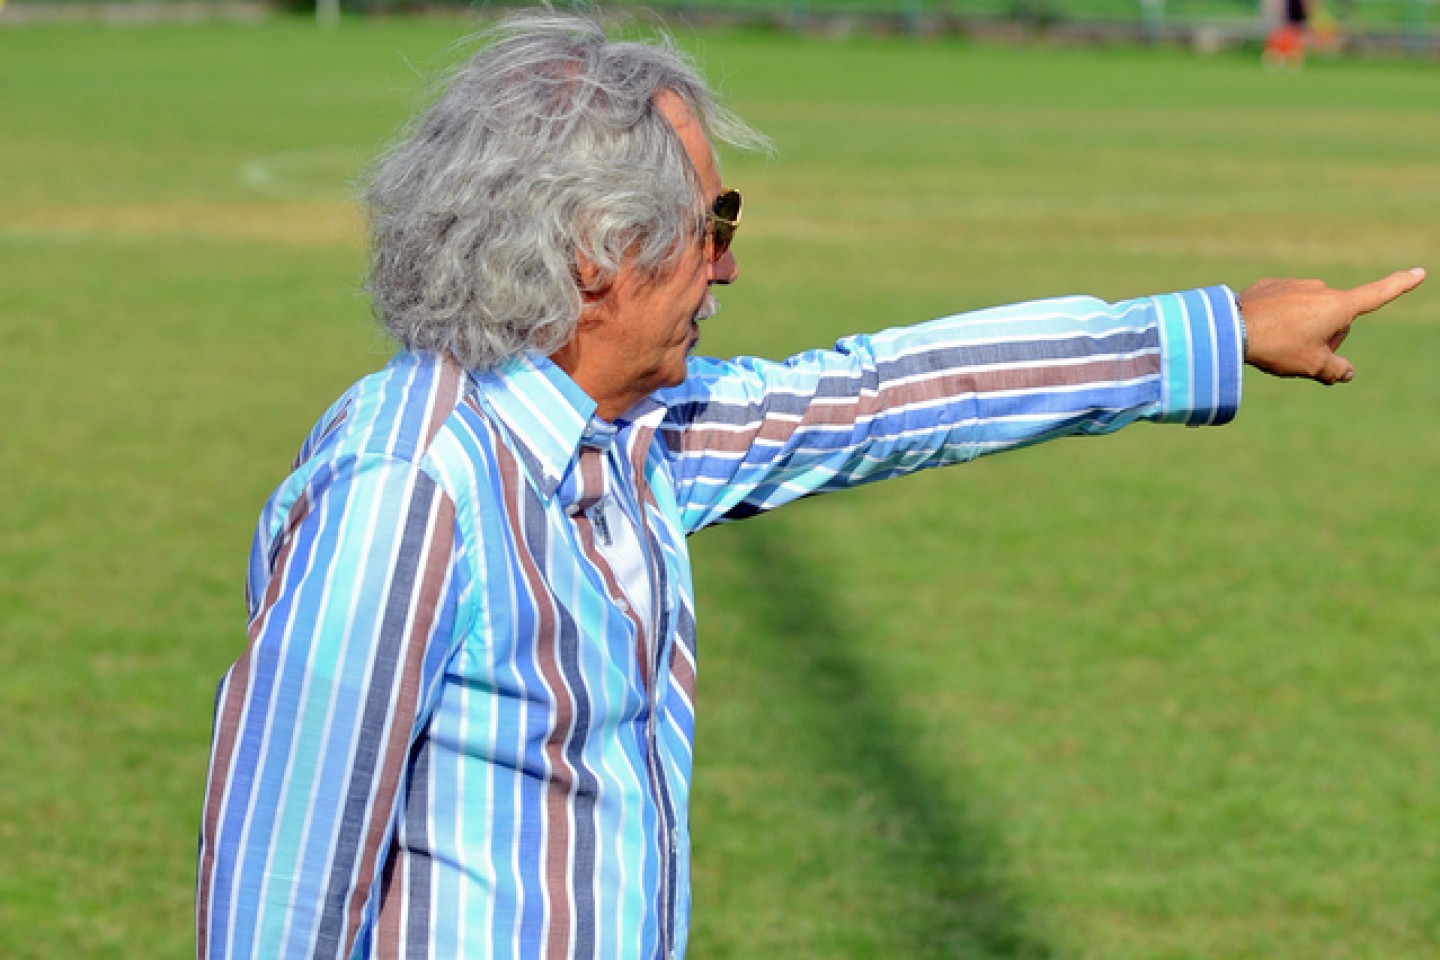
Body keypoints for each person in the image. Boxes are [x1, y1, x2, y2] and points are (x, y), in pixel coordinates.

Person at [196, 11, 1424, 960]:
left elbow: (884, 394)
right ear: (597, 252)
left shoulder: (630, 435)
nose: (726, 267)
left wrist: (1209, 329)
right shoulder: (407, 489)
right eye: (712, 222)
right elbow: (275, 902)